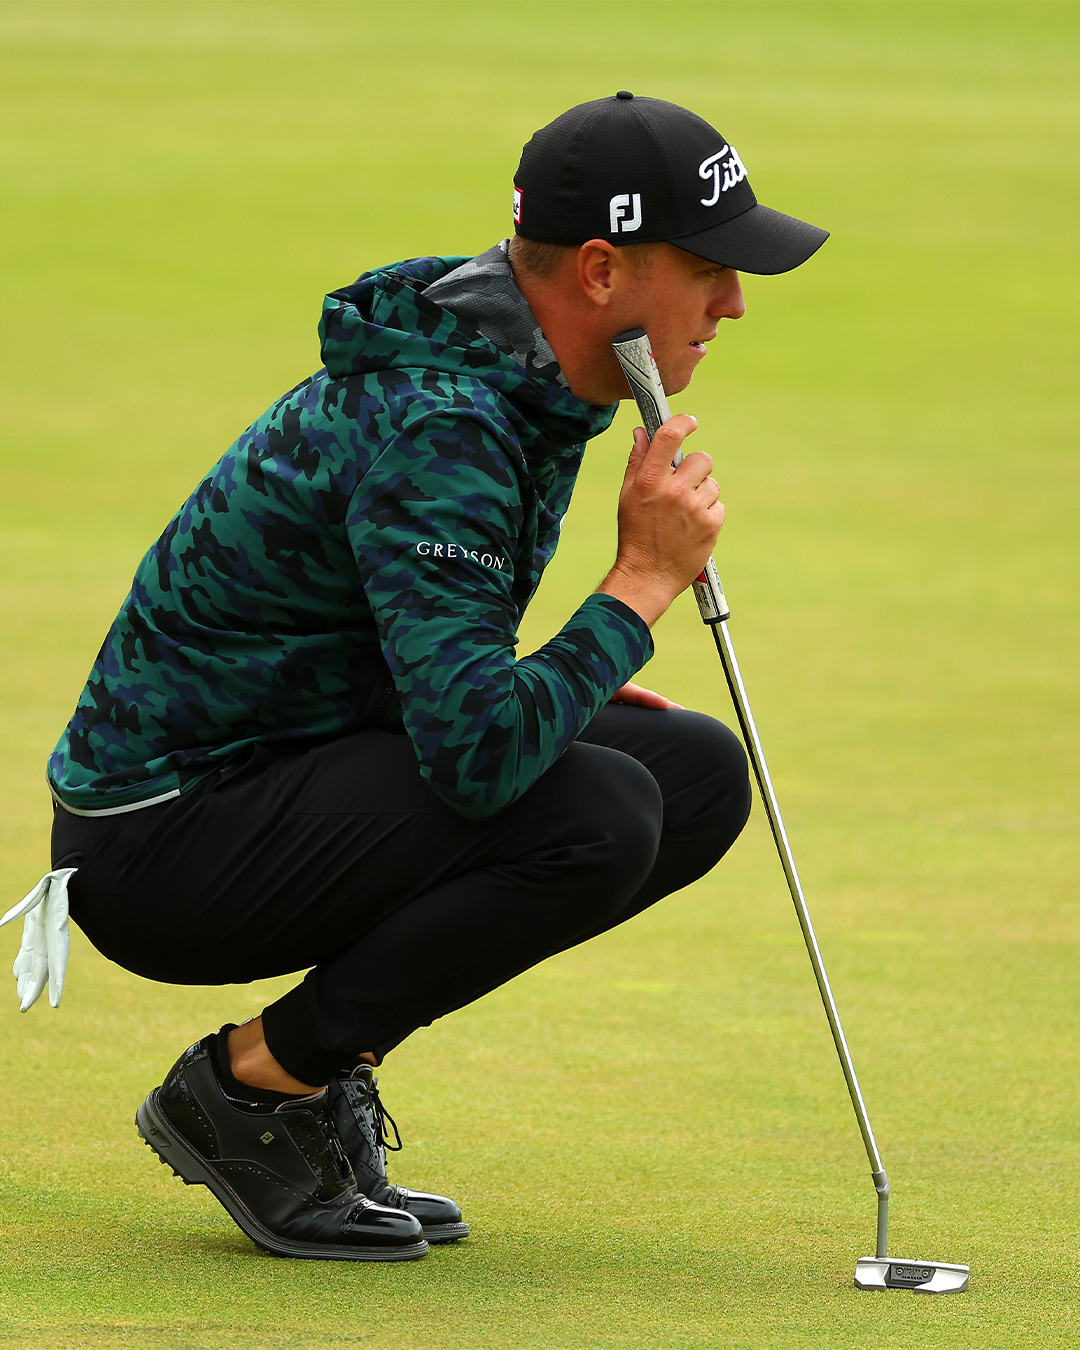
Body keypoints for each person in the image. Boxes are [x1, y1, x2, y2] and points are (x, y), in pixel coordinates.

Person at [6, 93, 827, 1261]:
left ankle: (322, 1069)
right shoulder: (446, 421)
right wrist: (640, 584)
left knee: (689, 774)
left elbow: (426, 668)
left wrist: (574, 681)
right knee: (597, 808)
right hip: (160, 843)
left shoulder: (520, 381)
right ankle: (253, 1090)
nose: (734, 301)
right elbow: (478, 757)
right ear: (600, 271)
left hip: (282, 770)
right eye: (708, 269)